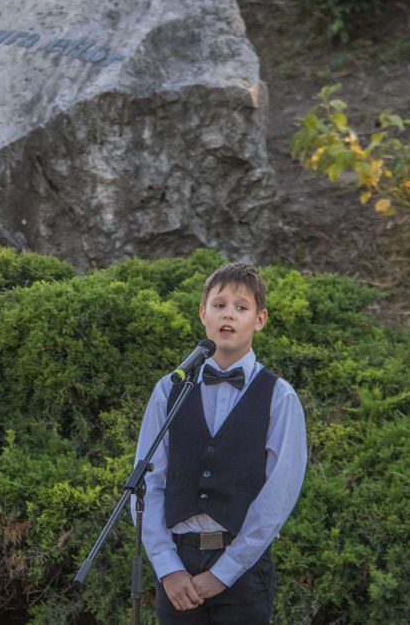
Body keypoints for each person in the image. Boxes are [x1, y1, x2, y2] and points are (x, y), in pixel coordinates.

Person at [133, 262, 307, 624]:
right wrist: (167, 567)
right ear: (202, 313)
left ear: (259, 319)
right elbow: (148, 481)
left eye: (241, 308)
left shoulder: (279, 397)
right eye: (219, 305)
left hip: (244, 570)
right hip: (178, 565)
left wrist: (224, 573)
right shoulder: (169, 389)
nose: (229, 315)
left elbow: (278, 496)